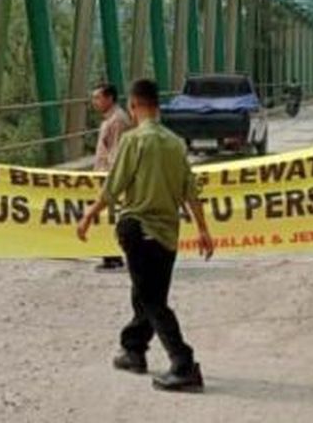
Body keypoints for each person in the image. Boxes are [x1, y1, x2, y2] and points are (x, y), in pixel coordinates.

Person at [77, 78, 215, 393]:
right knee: (148, 293)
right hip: (167, 233)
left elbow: (115, 186)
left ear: (134, 105)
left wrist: (88, 214)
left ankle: (183, 363)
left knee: (151, 299)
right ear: (158, 105)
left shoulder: (133, 140)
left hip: (138, 227)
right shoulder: (175, 143)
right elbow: (190, 192)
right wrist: (204, 230)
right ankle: (134, 349)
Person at [92, 82, 132, 272]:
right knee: (108, 218)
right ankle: (110, 255)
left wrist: (110, 181)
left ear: (109, 98)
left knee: (112, 217)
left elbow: (116, 155)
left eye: (98, 97)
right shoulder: (111, 119)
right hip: (104, 175)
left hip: (109, 178)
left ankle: (113, 256)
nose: (94, 102)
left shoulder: (117, 120)